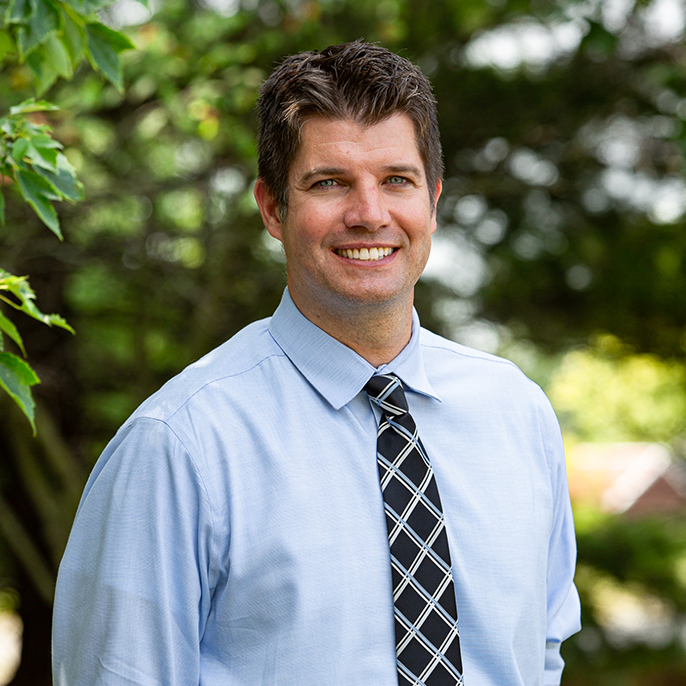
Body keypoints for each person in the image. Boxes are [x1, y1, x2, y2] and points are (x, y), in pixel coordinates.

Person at [52, 41, 580, 686]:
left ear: (433, 200)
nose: (370, 214)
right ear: (273, 208)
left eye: (397, 181)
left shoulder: (516, 413)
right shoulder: (179, 444)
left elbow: (542, 652)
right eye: (329, 183)